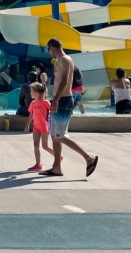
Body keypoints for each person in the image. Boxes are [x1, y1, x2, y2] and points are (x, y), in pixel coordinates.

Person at [40, 38, 98, 178]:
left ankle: (89, 158)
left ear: (52, 48)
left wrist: (56, 100)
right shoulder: (61, 61)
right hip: (60, 100)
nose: (49, 53)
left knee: (60, 135)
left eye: (48, 50)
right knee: (54, 135)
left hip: (63, 100)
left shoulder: (65, 60)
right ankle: (56, 167)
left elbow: (65, 81)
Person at [26, 82, 52, 171]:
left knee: (45, 146)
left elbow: (52, 114)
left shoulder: (46, 103)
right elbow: (31, 114)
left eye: (31, 91)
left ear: (36, 93)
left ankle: (58, 157)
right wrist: (27, 125)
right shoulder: (33, 103)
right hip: (36, 127)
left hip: (45, 127)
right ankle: (38, 164)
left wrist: (52, 125)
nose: (30, 93)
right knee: (36, 144)